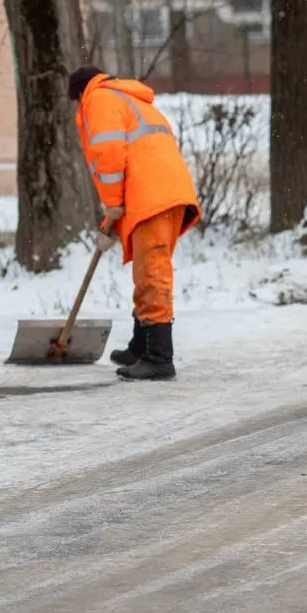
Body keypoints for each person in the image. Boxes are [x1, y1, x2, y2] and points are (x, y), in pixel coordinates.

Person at [68, 65, 201, 381]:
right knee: (148, 270)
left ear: (80, 92)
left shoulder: (98, 100)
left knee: (152, 272)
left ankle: (159, 357)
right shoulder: (127, 98)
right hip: (160, 192)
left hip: (153, 196)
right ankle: (141, 346)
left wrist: (112, 206)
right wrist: (110, 221)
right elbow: (134, 160)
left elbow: (110, 154)